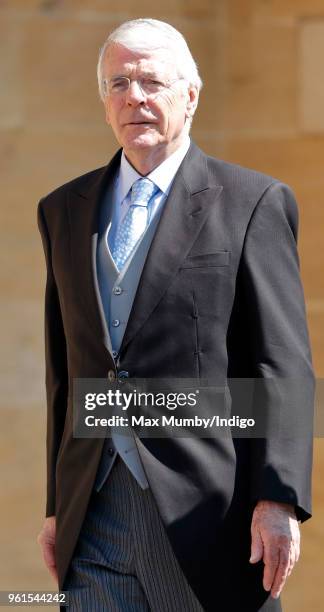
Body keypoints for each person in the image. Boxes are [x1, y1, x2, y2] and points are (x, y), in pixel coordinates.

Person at [36, 18, 315, 612]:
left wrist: (279, 497)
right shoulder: (63, 209)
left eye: (151, 82)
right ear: (104, 103)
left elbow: (281, 364)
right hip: (95, 514)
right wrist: (58, 504)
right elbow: (67, 370)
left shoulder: (252, 202)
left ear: (191, 95)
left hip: (208, 516)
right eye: (118, 84)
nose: (134, 97)